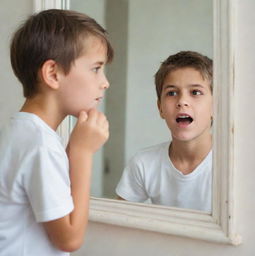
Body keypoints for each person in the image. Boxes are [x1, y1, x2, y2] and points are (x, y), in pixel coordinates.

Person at [0, 9, 113, 255]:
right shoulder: (41, 145)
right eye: (96, 68)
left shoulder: (20, 131)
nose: (105, 82)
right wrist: (82, 153)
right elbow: (70, 239)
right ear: (53, 74)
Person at [116, 51, 213, 212]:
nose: (182, 101)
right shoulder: (144, 163)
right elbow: (118, 220)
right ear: (160, 108)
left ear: (216, 106)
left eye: (195, 92)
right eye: (172, 93)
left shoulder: (234, 166)